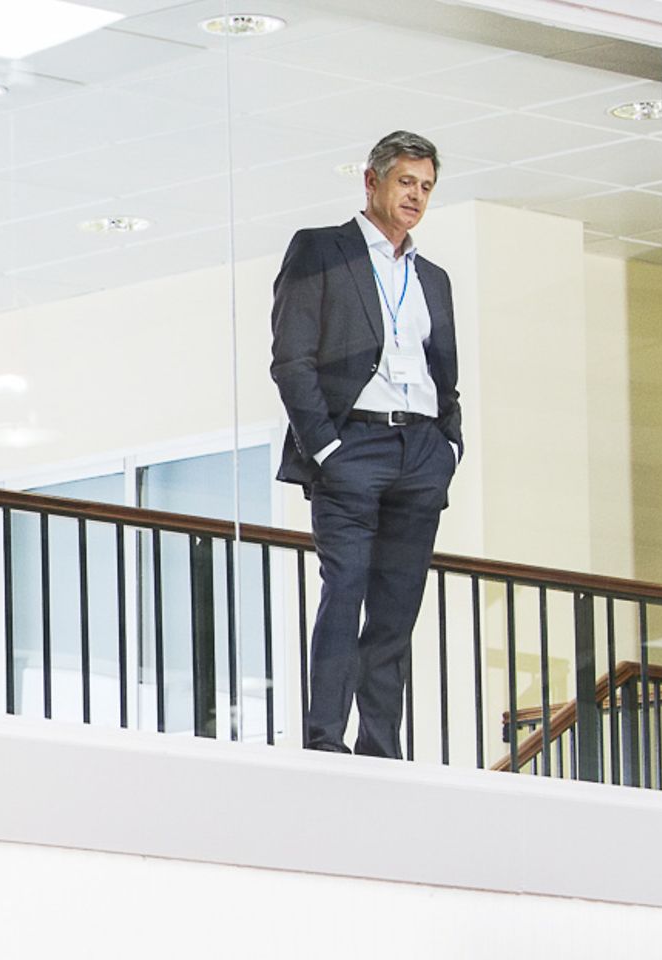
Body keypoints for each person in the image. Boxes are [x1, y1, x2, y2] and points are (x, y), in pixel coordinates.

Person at [270, 130, 462, 758]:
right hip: (352, 448)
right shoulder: (321, 251)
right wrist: (324, 448)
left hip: (422, 452)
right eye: (407, 182)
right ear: (372, 181)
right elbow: (292, 360)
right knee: (345, 588)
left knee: (396, 609)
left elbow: (444, 373)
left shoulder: (432, 277)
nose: (416, 196)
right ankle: (325, 739)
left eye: (427, 187)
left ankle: (382, 746)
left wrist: (450, 446)